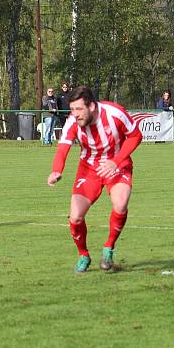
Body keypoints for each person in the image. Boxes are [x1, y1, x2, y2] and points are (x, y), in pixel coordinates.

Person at [47, 86, 143, 273]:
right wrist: (56, 170)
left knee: (120, 203)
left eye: (79, 109)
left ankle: (108, 248)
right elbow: (63, 147)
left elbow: (136, 136)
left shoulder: (115, 113)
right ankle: (83, 255)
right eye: (72, 110)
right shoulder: (72, 122)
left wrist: (116, 162)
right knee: (75, 216)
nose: (75, 114)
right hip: (88, 169)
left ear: (91, 106)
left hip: (117, 164)